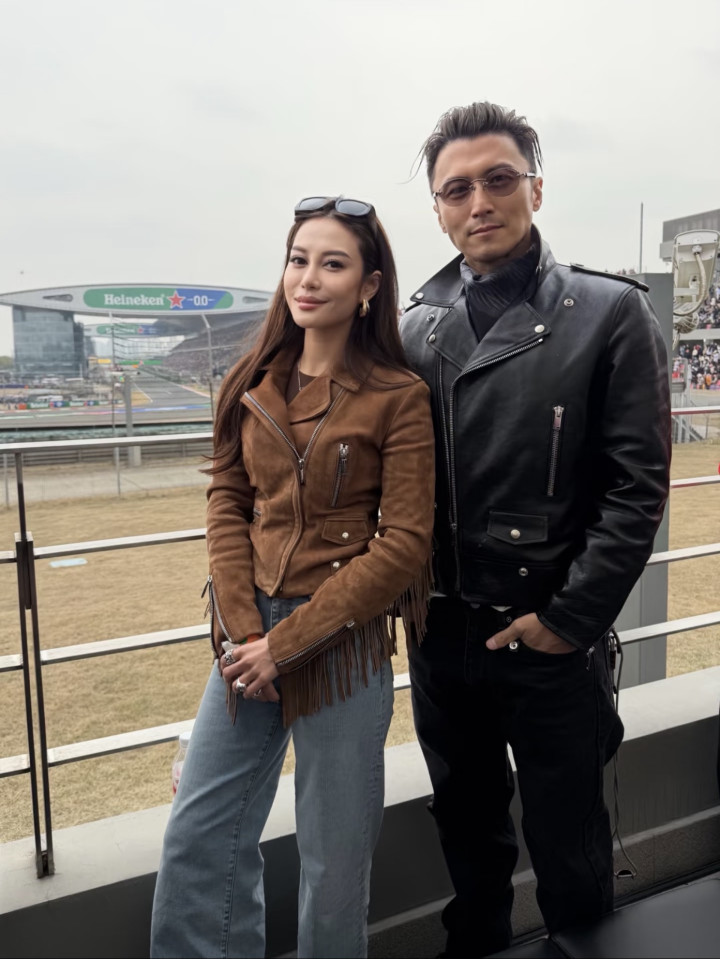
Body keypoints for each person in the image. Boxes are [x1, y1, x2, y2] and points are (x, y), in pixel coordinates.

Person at [399, 101, 671, 956]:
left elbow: (637, 488)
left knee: (571, 843)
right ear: (438, 210)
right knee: (466, 833)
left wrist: (567, 620)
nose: (478, 202)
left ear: (537, 189)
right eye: (456, 189)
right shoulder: (414, 328)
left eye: (498, 179)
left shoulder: (610, 312)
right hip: (441, 638)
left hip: (551, 639)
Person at [150, 196, 435, 959]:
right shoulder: (252, 380)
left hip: (342, 644)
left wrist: (287, 644)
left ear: (368, 285)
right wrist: (248, 633)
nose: (307, 278)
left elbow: (405, 543)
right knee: (198, 835)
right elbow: (227, 502)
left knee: (334, 867)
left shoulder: (398, 396)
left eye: (332, 263)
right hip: (247, 643)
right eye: (297, 258)